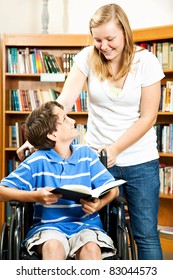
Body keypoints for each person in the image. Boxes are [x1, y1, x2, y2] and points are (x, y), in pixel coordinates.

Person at [16, 3, 165, 260]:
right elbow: (63, 101)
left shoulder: (146, 62)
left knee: (146, 235)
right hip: (96, 160)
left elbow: (148, 117)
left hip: (140, 161)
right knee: (99, 234)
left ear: (125, 34)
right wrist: (36, 137)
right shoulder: (87, 57)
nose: (104, 46)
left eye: (110, 39)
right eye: (98, 40)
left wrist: (116, 148)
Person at [0, 101, 121, 260]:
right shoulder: (37, 161)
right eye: (64, 119)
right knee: (53, 246)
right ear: (52, 134)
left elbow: (114, 189)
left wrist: (101, 203)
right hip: (48, 229)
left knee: (91, 249)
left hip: (87, 227)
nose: (72, 121)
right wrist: (36, 196)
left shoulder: (86, 154)